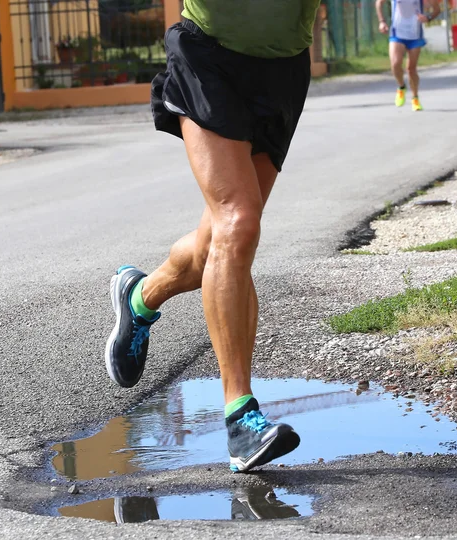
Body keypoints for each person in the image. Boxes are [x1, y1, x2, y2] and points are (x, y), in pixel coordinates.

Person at [105, 1, 321, 472]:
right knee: (238, 223)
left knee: (219, 243)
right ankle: (240, 418)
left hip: (283, 70)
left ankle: (140, 296)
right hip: (208, 58)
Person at [376, 0, 441, 111]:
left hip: (415, 34)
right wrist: (382, 21)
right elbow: (379, 3)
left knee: (411, 69)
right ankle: (401, 87)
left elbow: (437, 9)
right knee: (395, 63)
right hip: (397, 33)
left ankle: (415, 98)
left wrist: (428, 18)